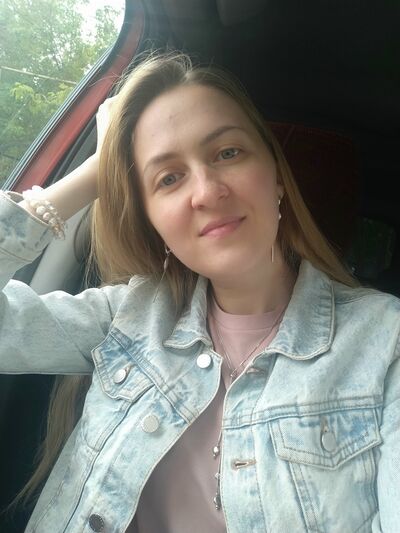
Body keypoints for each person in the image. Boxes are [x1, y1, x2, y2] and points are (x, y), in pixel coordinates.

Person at [0, 51, 399, 533]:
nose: (207, 192)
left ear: (276, 176)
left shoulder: (385, 343)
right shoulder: (129, 315)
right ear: (153, 221)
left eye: (228, 153)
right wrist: (94, 174)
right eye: (168, 178)